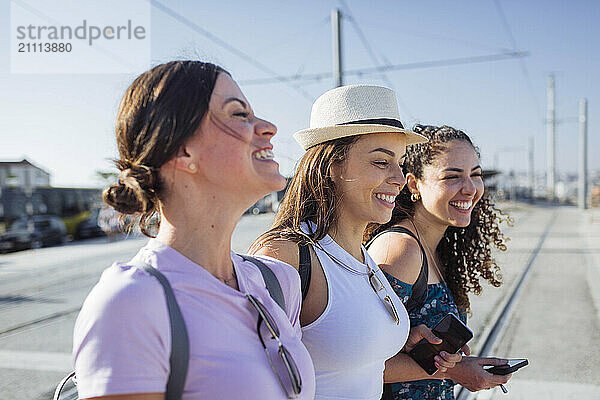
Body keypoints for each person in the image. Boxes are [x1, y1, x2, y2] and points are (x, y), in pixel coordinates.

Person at [72, 61, 316, 399]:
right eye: (238, 114)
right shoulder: (130, 302)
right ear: (183, 150)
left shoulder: (277, 283)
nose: (269, 127)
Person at [250, 86, 463, 400]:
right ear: (332, 166)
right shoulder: (287, 256)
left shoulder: (362, 255)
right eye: (381, 162)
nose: (400, 178)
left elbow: (350, 358)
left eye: (401, 163)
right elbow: (249, 377)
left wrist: (402, 342)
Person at [365, 125, 513, 399]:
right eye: (452, 177)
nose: (470, 188)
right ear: (413, 184)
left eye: (475, 175)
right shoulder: (400, 250)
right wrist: (455, 371)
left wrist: (461, 364)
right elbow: (359, 362)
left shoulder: (437, 248)